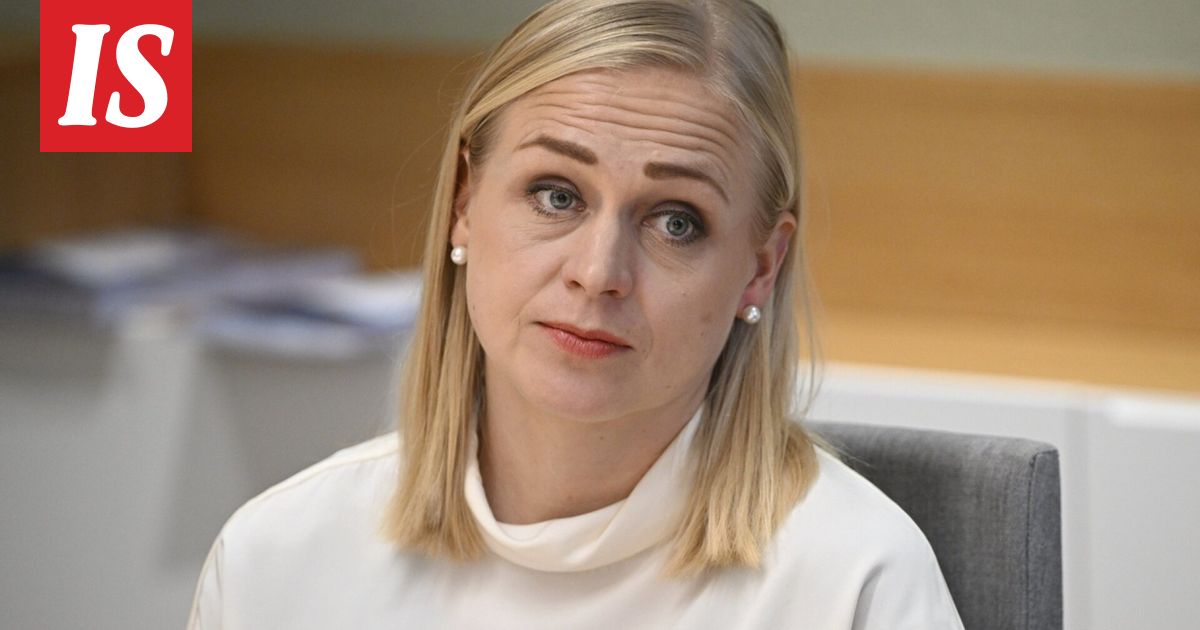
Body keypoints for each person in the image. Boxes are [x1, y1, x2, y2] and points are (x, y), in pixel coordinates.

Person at [188, 0, 964, 628]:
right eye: (556, 196)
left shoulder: (855, 582)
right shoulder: (275, 560)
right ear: (464, 203)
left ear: (760, 268)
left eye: (676, 222)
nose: (597, 274)